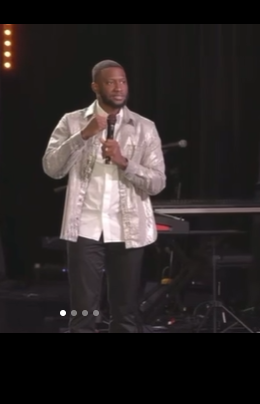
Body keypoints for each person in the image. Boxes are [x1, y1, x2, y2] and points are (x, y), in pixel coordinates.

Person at [42, 60, 166, 333]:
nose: (119, 88)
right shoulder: (72, 121)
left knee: (126, 312)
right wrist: (83, 135)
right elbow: (51, 167)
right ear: (96, 87)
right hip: (84, 228)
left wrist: (124, 162)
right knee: (83, 312)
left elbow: (157, 183)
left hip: (128, 228)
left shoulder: (144, 127)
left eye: (123, 81)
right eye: (111, 82)